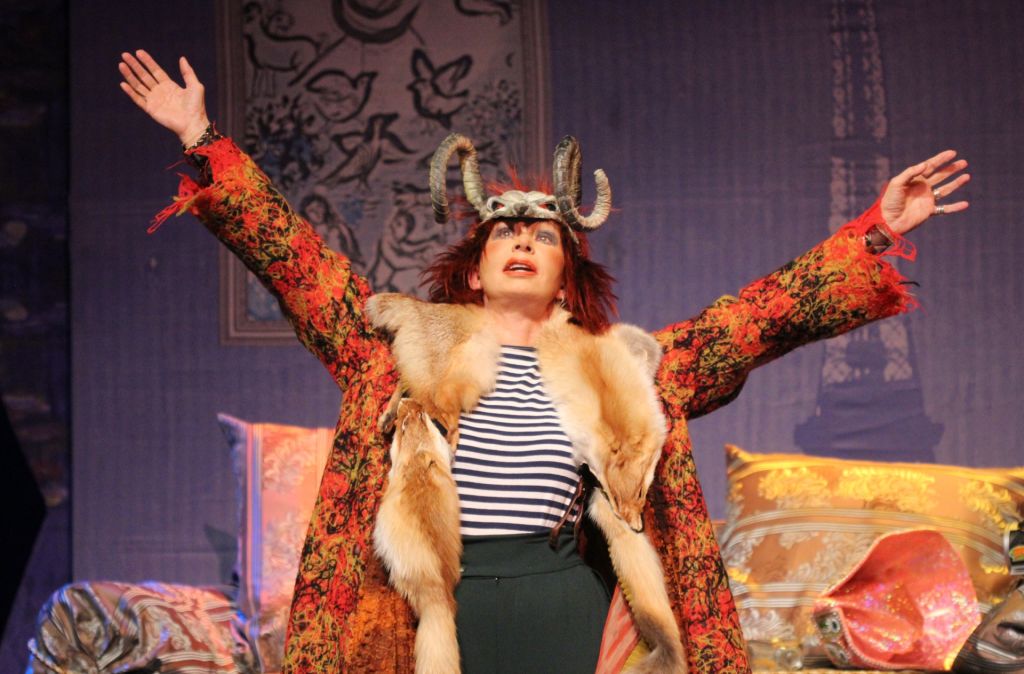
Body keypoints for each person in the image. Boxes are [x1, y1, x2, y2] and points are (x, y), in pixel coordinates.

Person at [118, 49, 970, 674]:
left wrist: (875, 232)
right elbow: (295, 263)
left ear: (567, 272)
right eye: (504, 231)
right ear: (474, 268)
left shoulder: (623, 368)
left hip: (565, 604)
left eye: (544, 234)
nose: (523, 239)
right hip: (438, 611)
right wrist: (202, 138)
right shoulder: (395, 348)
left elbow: (753, 321)